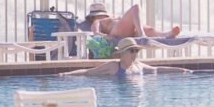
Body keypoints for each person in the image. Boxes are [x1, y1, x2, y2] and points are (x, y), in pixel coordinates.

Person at [60, 38, 190, 76]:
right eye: (131, 51)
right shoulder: (114, 66)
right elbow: (87, 73)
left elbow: (157, 70)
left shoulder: (138, 66)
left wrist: (180, 70)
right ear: (122, 53)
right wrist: (65, 74)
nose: (135, 54)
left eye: (136, 51)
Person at [88, 3, 181, 40]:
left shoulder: (110, 18)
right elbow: (96, 33)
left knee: (150, 29)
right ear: (93, 17)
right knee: (135, 8)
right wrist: (108, 37)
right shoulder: (97, 21)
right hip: (117, 33)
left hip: (128, 31)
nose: (101, 16)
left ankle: (166, 34)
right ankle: (142, 35)